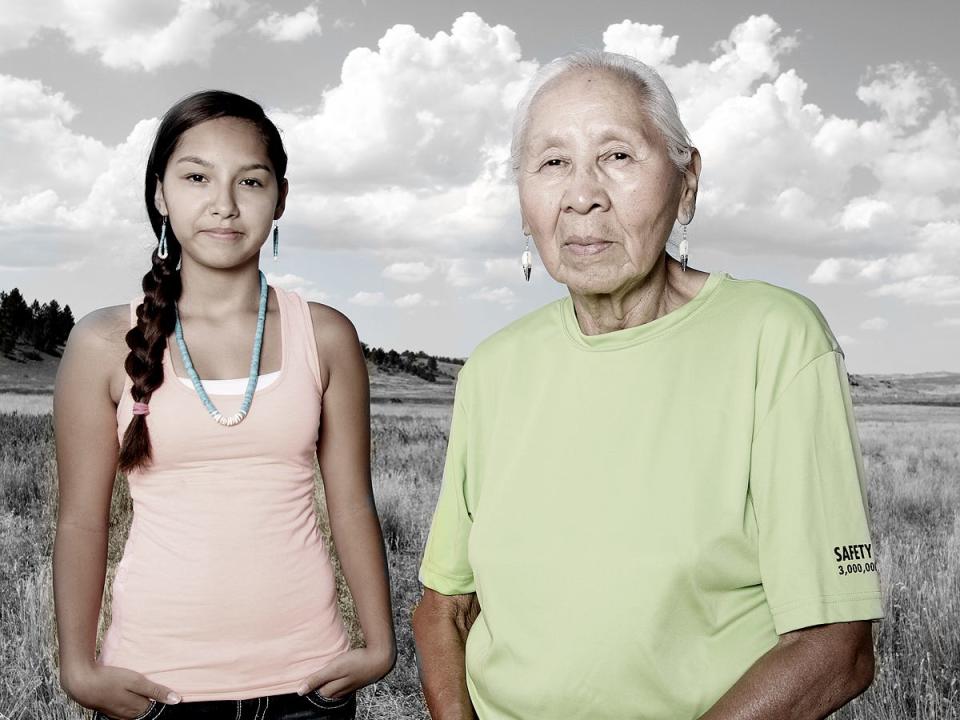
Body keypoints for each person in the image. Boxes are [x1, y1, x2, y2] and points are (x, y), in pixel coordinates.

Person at [412, 50, 884, 720]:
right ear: (523, 203)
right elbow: (442, 608)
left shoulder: (775, 337)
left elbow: (837, 647)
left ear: (687, 181)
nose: (583, 194)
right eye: (552, 163)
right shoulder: (493, 368)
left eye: (618, 156)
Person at [52, 90, 396, 720]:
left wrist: (380, 645)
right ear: (160, 193)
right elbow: (80, 519)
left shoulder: (325, 335)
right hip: (155, 689)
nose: (224, 205)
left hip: (309, 685)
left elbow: (351, 503)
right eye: (196, 177)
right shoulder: (101, 341)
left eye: (251, 181)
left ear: (280, 198)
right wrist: (77, 666)